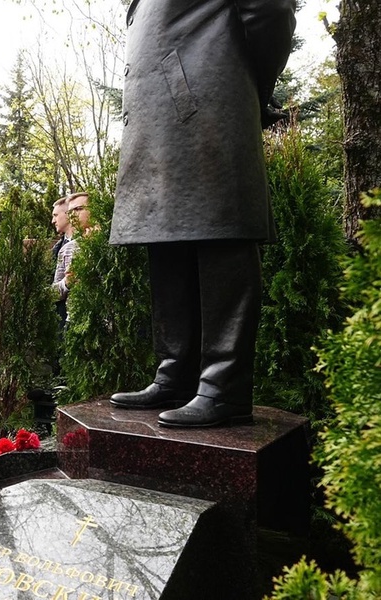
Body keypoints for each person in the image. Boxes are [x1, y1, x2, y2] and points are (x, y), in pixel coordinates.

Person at [108, 0, 296, 427]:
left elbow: (270, 12)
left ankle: (222, 388)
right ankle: (174, 373)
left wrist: (244, 83)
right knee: (166, 235)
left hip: (208, 99)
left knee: (220, 232)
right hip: (162, 117)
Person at [52, 193, 91, 313]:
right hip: (74, 319)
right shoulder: (66, 249)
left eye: (78, 209)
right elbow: (52, 292)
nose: (73, 215)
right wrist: (66, 283)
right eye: (70, 212)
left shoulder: (112, 242)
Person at [50, 197, 71, 325]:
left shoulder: (88, 244)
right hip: (59, 319)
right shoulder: (57, 249)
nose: (53, 221)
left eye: (56, 215)